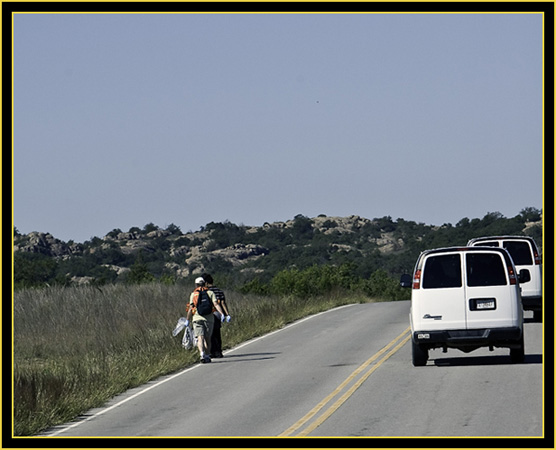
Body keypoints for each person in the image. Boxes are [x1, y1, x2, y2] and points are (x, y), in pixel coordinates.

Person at [186, 277, 225, 363]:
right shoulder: (210, 293)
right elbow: (216, 304)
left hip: (197, 318)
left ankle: (202, 354)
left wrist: (187, 319)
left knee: (200, 338)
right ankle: (207, 355)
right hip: (209, 319)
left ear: (196, 285)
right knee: (208, 339)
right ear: (204, 283)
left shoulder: (193, 294)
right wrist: (222, 314)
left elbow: (190, 308)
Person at [202, 273, 231, 358]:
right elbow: (222, 303)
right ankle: (218, 351)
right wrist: (226, 314)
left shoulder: (205, 291)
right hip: (218, 314)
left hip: (209, 314)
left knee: (209, 334)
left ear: (206, 282)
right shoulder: (219, 291)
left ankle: (211, 351)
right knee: (217, 333)